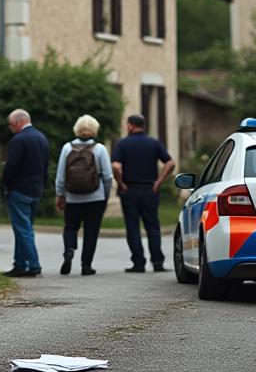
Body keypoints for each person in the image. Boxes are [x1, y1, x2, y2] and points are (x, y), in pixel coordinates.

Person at [111, 114, 177, 273]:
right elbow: (170, 163)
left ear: (130, 126)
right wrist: (158, 181)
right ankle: (157, 262)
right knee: (153, 226)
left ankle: (138, 263)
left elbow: (116, 167)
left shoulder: (122, 144)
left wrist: (120, 183)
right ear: (143, 125)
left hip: (130, 190)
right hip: (150, 190)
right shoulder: (154, 143)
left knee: (133, 227)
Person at [53, 115, 113, 276]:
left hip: (72, 197)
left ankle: (69, 250)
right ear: (95, 129)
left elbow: (60, 176)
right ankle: (86, 265)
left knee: (70, 227)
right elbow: (108, 176)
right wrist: (105, 195)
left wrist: (60, 195)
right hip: (96, 197)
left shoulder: (67, 148)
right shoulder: (99, 149)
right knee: (91, 231)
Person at [1, 108, 49, 277]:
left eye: (11, 125)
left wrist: (6, 185)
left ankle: (34, 265)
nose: (11, 128)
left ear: (19, 122)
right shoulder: (41, 138)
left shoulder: (19, 140)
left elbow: (11, 167)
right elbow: (45, 165)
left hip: (19, 190)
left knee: (22, 229)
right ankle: (20, 264)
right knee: (25, 228)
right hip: (36, 189)